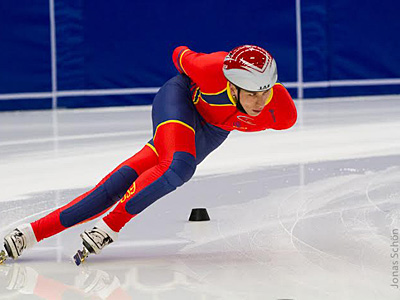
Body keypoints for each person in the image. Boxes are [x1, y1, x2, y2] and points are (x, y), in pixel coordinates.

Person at [2, 45, 297, 261]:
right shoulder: (210, 69)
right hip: (180, 100)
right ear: (232, 86)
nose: (260, 101)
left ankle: (27, 235)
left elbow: (268, 107)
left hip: (211, 131)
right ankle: (110, 227)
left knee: (118, 186)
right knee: (179, 167)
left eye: (266, 91)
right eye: (251, 93)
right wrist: (197, 89)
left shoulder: (281, 110)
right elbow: (179, 53)